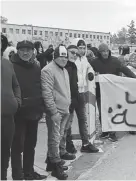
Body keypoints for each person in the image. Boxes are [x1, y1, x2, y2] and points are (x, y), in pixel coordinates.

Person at [9, 40, 46, 180]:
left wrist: (41, 107)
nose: (25, 53)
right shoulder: (10, 66)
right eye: (22, 50)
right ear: (18, 51)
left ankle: (29, 172)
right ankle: (17, 176)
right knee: (17, 146)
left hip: (34, 111)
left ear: (33, 52)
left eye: (28, 50)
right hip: (18, 113)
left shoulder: (36, 67)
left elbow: (39, 88)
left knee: (31, 145)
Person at [90, 43, 136, 142]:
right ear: (99, 52)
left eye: (107, 51)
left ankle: (112, 132)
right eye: (103, 51)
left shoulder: (115, 61)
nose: (105, 53)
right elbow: (89, 74)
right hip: (100, 92)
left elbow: (125, 70)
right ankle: (105, 131)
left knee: (112, 111)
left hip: (112, 91)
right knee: (102, 112)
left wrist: (135, 79)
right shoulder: (94, 62)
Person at [41, 45, 72, 180]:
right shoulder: (47, 70)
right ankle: (55, 166)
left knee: (59, 137)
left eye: (65, 57)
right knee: (54, 138)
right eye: (61, 57)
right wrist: (53, 111)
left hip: (64, 109)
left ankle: (50, 162)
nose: (64, 59)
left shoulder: (64, 70)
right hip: (56, 111)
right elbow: (47, 93)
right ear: (55, 57)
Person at [65, 43, 99, 153]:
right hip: (70, 93)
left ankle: (85, 143)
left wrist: (90, 73)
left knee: (83, 118)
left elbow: (89, 67)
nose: (82, 50)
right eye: (80, 48)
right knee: (68, 121)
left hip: (82, 92)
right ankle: (68, 143)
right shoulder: (70, 60)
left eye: (84, 48)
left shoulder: (84, 59)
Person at [1, 35, 22, 180]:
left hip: (8, 116)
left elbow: (16, 85)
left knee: (4, 153)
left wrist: (17, 101)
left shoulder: (7, 64)